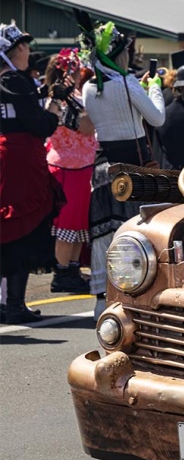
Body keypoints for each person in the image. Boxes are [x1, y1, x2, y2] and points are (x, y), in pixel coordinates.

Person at [80, 20, 165, 317]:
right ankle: (138, 293)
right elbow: (156, 119)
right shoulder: (128, 83)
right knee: (138, 231)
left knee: (105, 233)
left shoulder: (89, 87)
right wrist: (154, 88)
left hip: (103, 164)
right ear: (119, 54)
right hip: (134, 165)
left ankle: (101, 299)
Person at [0, 23, 63, 324]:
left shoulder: (16, 80)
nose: (26, 50)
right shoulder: (12, 80)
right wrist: (53, 113)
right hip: (17, 159)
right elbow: (39, 124)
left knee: (13, 227)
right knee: (17, 227)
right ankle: (13, 304)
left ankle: (11, 303)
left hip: (16, 157)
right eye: (22, 46)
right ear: (16, 51)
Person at [44, 49, 98, 294]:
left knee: (77, 225)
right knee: (67, 225)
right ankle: (62, 272)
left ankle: (72, 269)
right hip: (68, 167)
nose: (80, 72)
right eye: (75, 68)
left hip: (80, 166)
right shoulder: (59, 99)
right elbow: (86, 127)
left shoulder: (69, 96)